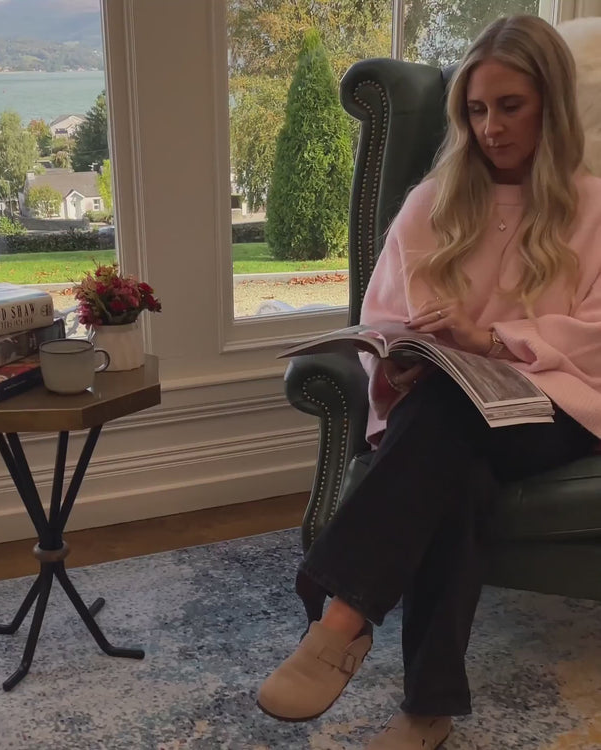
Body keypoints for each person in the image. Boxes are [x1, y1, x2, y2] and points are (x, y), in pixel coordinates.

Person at [256, 14, 601, 750]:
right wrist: (395, 360)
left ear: (550, 103)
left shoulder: (595, 206)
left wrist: (493, 341)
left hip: (560, 408)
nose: (491, 129)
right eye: (476, 110)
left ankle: (341, 617)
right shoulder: (431, 203)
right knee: (455, 461)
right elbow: (383, 316)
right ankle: (428, 706)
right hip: (448, 414)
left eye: (510, 107)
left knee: (446, 413)